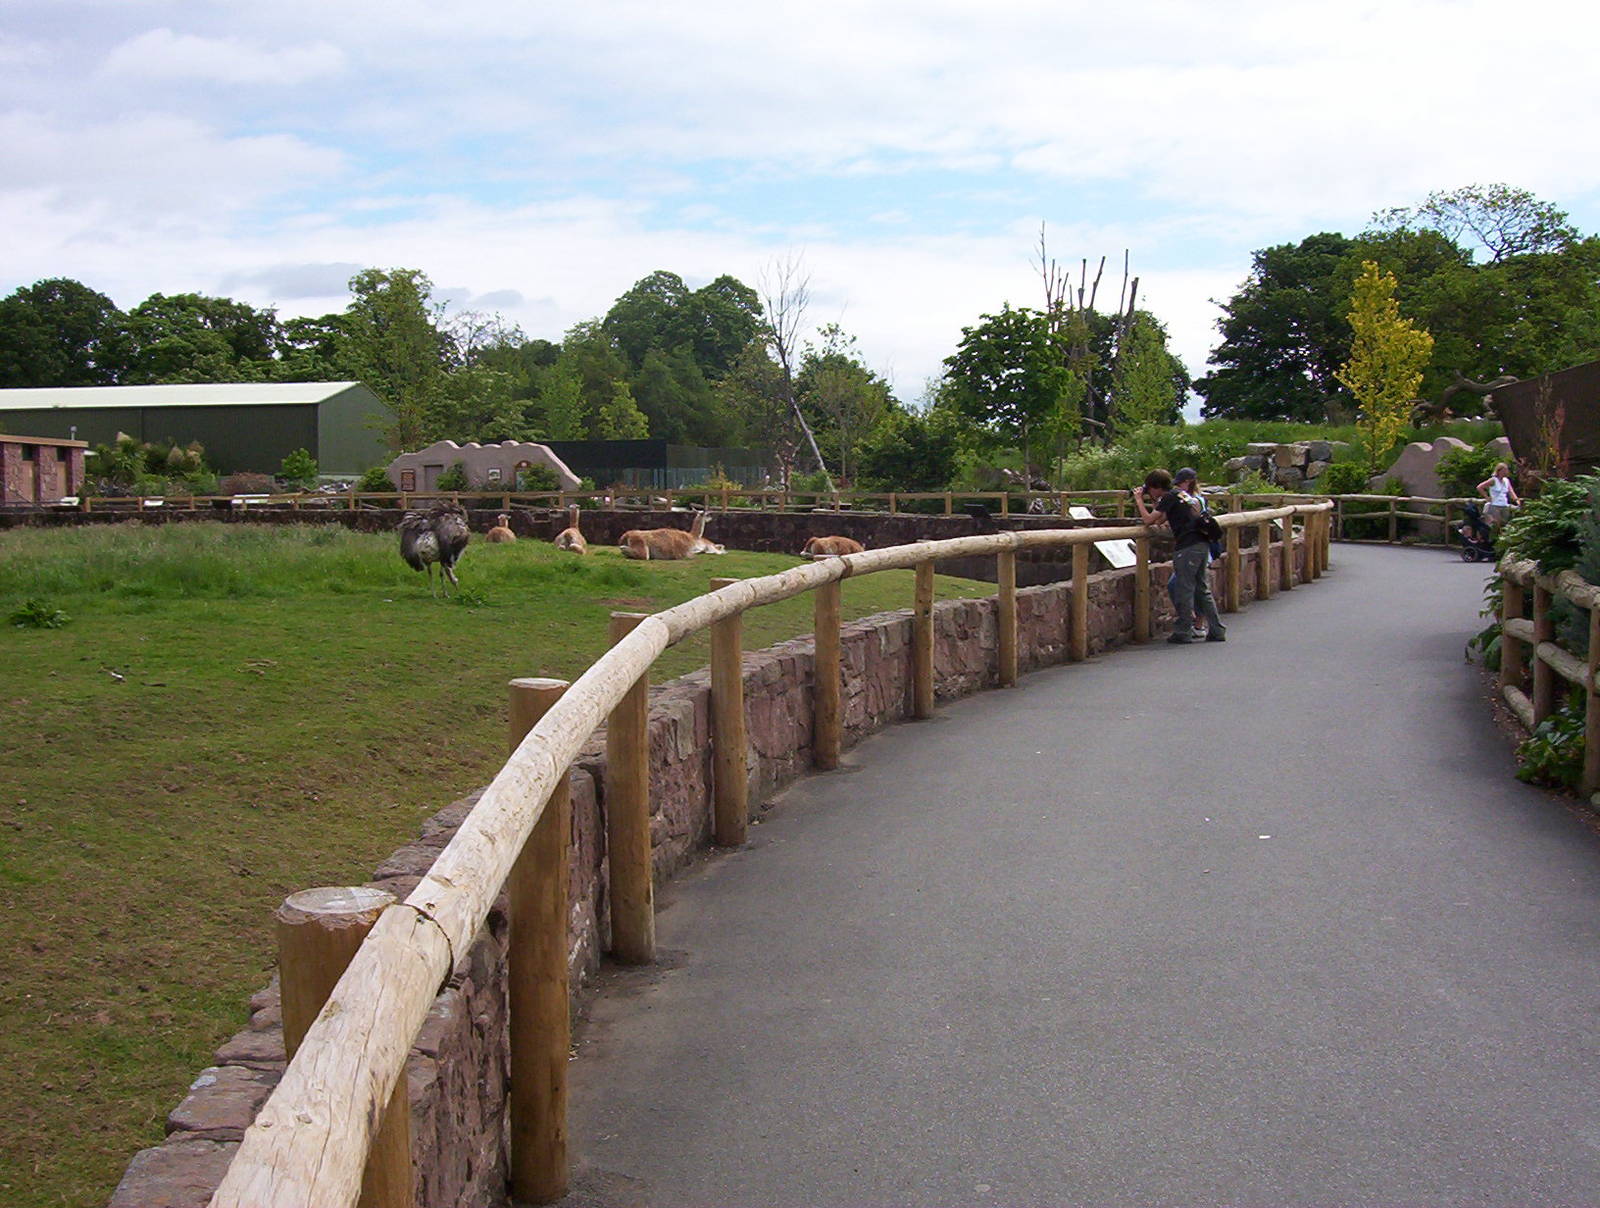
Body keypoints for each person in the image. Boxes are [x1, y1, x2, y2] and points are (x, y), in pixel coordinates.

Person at [1132, 468, 1226, 644]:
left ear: (1156, 487)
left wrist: (1138, 500)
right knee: (1201, 588)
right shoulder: (1181, 495)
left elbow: (1148, 520)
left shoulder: (1169, 497)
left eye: (1150, 489)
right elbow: (1161, 519)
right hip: (1202, 542)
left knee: (1185, 588)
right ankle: (1217, 629)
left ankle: (1183, 631)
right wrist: (1155, 502)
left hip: (1188, 546)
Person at [1477, 463, 1521, 527]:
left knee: (1504, 523)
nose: (1506, 472)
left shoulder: (1506, 481)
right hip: (1495, 505)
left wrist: (1517, 501)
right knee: (1496, 524)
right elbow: (1479, 487)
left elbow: (1511, 492)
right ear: (1499, 471)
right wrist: (1487, 497)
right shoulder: (1493, 480)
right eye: (1505, 470)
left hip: (1504, 505)